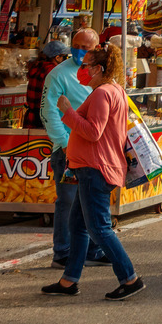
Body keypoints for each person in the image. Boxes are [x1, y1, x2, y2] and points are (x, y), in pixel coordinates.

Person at [42, 44, 144, 300]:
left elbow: (92, 132)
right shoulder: (113, 90)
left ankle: (129, 278)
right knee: (78, 225)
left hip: (95, 169)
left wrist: (67, 111)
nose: (82, 70)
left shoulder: (102, 94)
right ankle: (69, 280)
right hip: (93, 167)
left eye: (87, 66)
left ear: (98, 68)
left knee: (99, 228)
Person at [42, 28, 105, 269]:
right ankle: (63, 252)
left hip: (93, 148)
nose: (80, 51)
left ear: (96, 49)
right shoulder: (58, 75)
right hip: (67, 150)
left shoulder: (99, 74)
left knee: (91, 201)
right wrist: (64, 144)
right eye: (76, 45)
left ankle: (91, 249)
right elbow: (48, 112)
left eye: (86, 47)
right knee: (68, 201)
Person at [24, 41, 66, 130]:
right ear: (57, 57)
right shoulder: (53, 71)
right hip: (45, 119)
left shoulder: (36, 67)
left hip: (31, 117)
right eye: (64, 57)